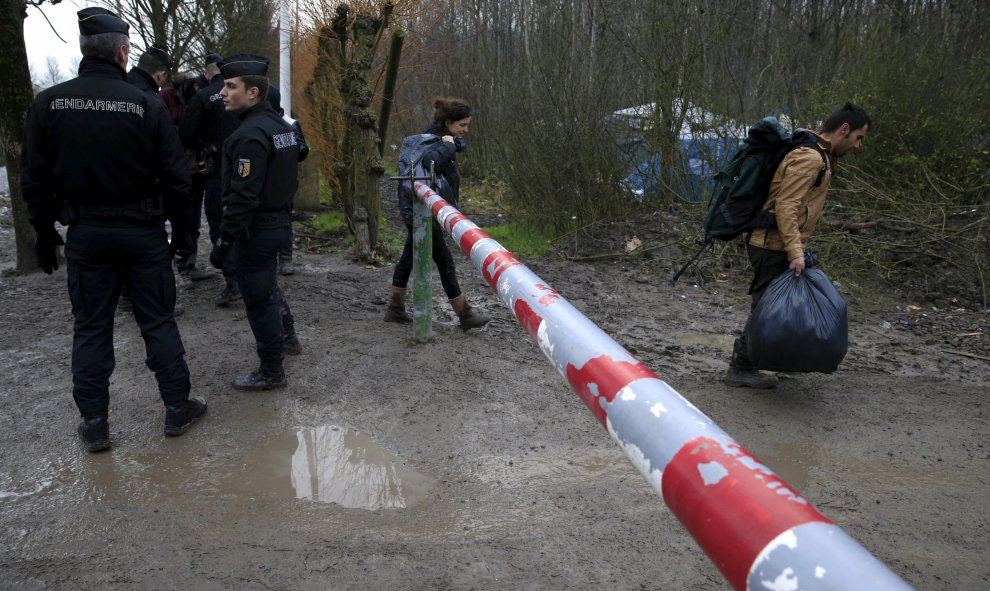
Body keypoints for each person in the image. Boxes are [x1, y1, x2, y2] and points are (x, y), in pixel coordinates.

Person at [20, 7, 207, 452]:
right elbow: (177, 178)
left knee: (90, 327)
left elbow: (35, 177)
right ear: (123, 52)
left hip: (86, 234)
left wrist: (44, 232)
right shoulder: (146, 104)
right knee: (157, 320)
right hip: (142, 232)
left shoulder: (50, 103)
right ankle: (177, 408)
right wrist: (182, 237)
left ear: (86, 50)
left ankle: (94, 423)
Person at [724, 103, 871, 389]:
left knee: (773, 306)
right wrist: (796, 251)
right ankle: (741, 367)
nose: (858, 145)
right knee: (765, 307)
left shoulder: (820, 156)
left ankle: (769, 359)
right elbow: (786, 206)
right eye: (859, 137)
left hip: (778, 242)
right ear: (844, 129)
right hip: (771, 244)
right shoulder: (810, 158)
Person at [212, 53, 301, 390]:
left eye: (230, 86)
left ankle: (271, 371)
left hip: (257, 231)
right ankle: (288, 338)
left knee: (258, 300)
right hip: (278, 226)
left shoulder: (248, 137)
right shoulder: (282, 128)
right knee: (267, 289)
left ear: (253, 93)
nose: (222, 93)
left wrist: (224, 240)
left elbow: (243, 196)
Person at [384, 97, 490, 329]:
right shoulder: (431, 140)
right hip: (423, 210)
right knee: (445, 262)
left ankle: (395, 308)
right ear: (448, 122)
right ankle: (464, 314)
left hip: (424, 210)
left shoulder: (440, 137)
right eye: (462, 125)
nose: (466, 130)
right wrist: (450, 144)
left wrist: (453, 142)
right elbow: (432, 160)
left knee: (409, 257)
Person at [180, 52, 242, 305]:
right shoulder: (248, 95)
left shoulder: (204, 97)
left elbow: (186, 133)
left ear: (207, 75)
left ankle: (233, 280)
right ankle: (252, 276)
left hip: (218, 169)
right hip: (250, 168)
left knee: (219, 220)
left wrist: (204, 146)